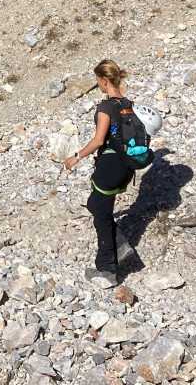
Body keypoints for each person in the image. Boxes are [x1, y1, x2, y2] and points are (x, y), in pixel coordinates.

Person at [64, 59, 139, 283]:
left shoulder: (105, 108)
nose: (98, 85)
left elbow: (98, 141)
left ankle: (107, 270)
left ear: (104, 81)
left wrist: (76, 157)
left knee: (101, 215)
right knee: (96, 205)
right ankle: (121, 246)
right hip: (126, 166)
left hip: (110, 167)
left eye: (98, 81)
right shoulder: (128, 104)